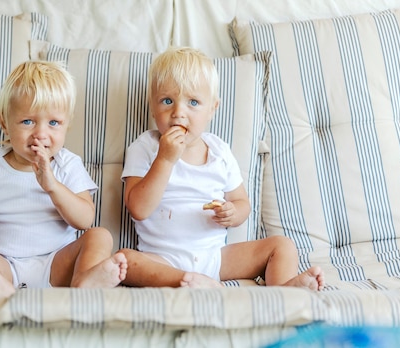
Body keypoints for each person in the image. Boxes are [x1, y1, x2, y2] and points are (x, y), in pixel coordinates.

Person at [119, 47, 324, 290]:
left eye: (193, 102)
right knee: (125, 261)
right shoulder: (145, 148)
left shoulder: (219, 152)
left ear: (212, 109)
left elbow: (242, 203)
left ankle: (283, 291)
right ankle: (187, 281)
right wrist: (164, 160)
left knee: (282, 246)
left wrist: (232, 213)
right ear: (153, 108)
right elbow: (138, 209)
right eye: (167, 101)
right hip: (163, 259)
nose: (178, 113)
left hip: (215, 257)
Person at [0, 60, 127, 296]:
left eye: (53, 123)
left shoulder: (68, 165)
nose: (41, 134)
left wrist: (52, 186)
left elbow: (85, 219)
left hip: (56, 263)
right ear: (4, 122)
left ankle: (84, 281)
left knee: (100, 235)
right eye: (28, 121)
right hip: (3, 262)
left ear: (67, 124)